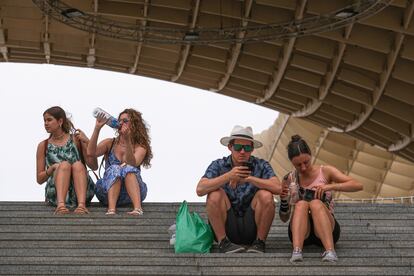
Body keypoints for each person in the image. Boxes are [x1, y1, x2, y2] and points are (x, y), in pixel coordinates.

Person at [196, 125, 281, 253]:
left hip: (251, 227)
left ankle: (260, 242)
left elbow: (278, 188)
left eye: (247, 148)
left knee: (266, 195)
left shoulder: (261, 165)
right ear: (230, 147)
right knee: (214, 194)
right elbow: (200, 189)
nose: (242, 151)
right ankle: (223, 242)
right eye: (238, 147)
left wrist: (248, 178)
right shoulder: (219, 164)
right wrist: (228, 176)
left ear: (252, 149)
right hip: (227, 226)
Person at [279, 135, 363, 263]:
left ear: (311, 155)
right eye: (298, 165)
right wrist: (284, 201)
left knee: (316, 203)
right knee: (301, 204)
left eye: (306, 162)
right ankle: (297, 250)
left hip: (326, 228)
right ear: (292, 163)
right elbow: (284, 218)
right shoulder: (289, 178)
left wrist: (330, 186)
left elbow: (358, 185)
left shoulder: (325, 171)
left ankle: (330, 250)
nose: (303, 168)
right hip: (302, 233)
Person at [87, 108, 152, 215]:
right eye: (120, 121)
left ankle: (137, 208)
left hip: (130, 193)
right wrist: (97, 129)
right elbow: (90, 153)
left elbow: (132, 163)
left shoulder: (140, 147)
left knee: (128, 169)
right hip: (108, 192)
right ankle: (111, 210)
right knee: (115, 168)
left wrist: (127, 140)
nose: (121, 123)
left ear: (134, 124)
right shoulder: (110, 143)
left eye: (125, 121)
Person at [36, 106, 97, 214]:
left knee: (77, 165)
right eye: (44, 120)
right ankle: (61, 205)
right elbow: (39, 179)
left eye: (49, 120)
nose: (46, 123)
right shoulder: (43, 145)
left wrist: (87, 142)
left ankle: (82, 206)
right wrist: (52, 169)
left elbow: (93, 166)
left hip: (80, 190)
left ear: (60, 121)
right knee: (64, 165)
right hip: (56, 192)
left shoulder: (76, 139)